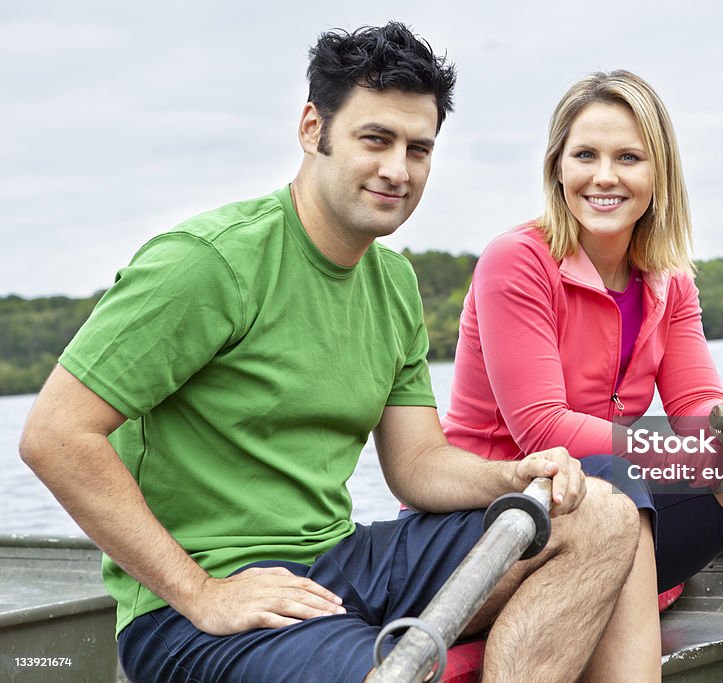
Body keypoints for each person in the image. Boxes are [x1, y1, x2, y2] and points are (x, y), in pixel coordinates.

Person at [18, 25, 651, 683]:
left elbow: (417, 464)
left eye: (419, 148)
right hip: (193, 613)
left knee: (600, 513)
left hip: (336, 565)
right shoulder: (207, 263)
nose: (397, 169)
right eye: (374, 139)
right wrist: (203, 591)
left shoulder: (394, 281)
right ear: (312, 128)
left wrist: (511, 475)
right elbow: (56, 435)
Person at [442, 70, 723, 682]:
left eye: (628, 157)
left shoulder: (668, 279)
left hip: (611, 501)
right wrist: (699, 463)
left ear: (658, 172)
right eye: (585, 155)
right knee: (625, 486)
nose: (605, 176)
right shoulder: (517, 260)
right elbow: (543, 430)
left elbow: (696, 401)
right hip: (496, 526)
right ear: (556, 167)